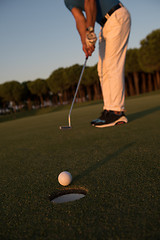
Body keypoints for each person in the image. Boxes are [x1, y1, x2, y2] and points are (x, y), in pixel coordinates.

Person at [64, 0, 131, 128]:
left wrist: (90, 31)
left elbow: (90, 1)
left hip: (116, 15)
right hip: (105, 25)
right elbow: (79, 19)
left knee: (112, 65)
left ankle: (117, 112)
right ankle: (109, 110)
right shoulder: (67, 2)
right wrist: (85, 42)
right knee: (102, 69)